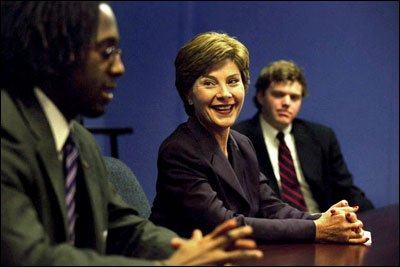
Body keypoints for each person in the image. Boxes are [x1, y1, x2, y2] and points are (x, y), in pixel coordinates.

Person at [1, 2, 263, 265]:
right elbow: (27, 257)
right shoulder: (7, 130)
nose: (119, 67)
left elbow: (123, 228)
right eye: (107, 51)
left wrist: (193, 254)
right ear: (56, 51)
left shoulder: (79, 140)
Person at [150, 31, 370, 244]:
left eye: (233, 81)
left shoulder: (241, 143)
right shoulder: (179, 150)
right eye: (209, 83)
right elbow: (224, 225)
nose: (225, 94)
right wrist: (317, 229)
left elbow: (272, 207)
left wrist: (329, 219)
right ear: (188, 93)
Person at [232, 60, 374, 214]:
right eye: (278, 94)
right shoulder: (238, 138)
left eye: (294, 97)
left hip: (322, 222)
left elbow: (345, 189)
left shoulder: (322, 136)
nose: (287, 103)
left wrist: (374, 218)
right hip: (273, 228)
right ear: (261, 96)